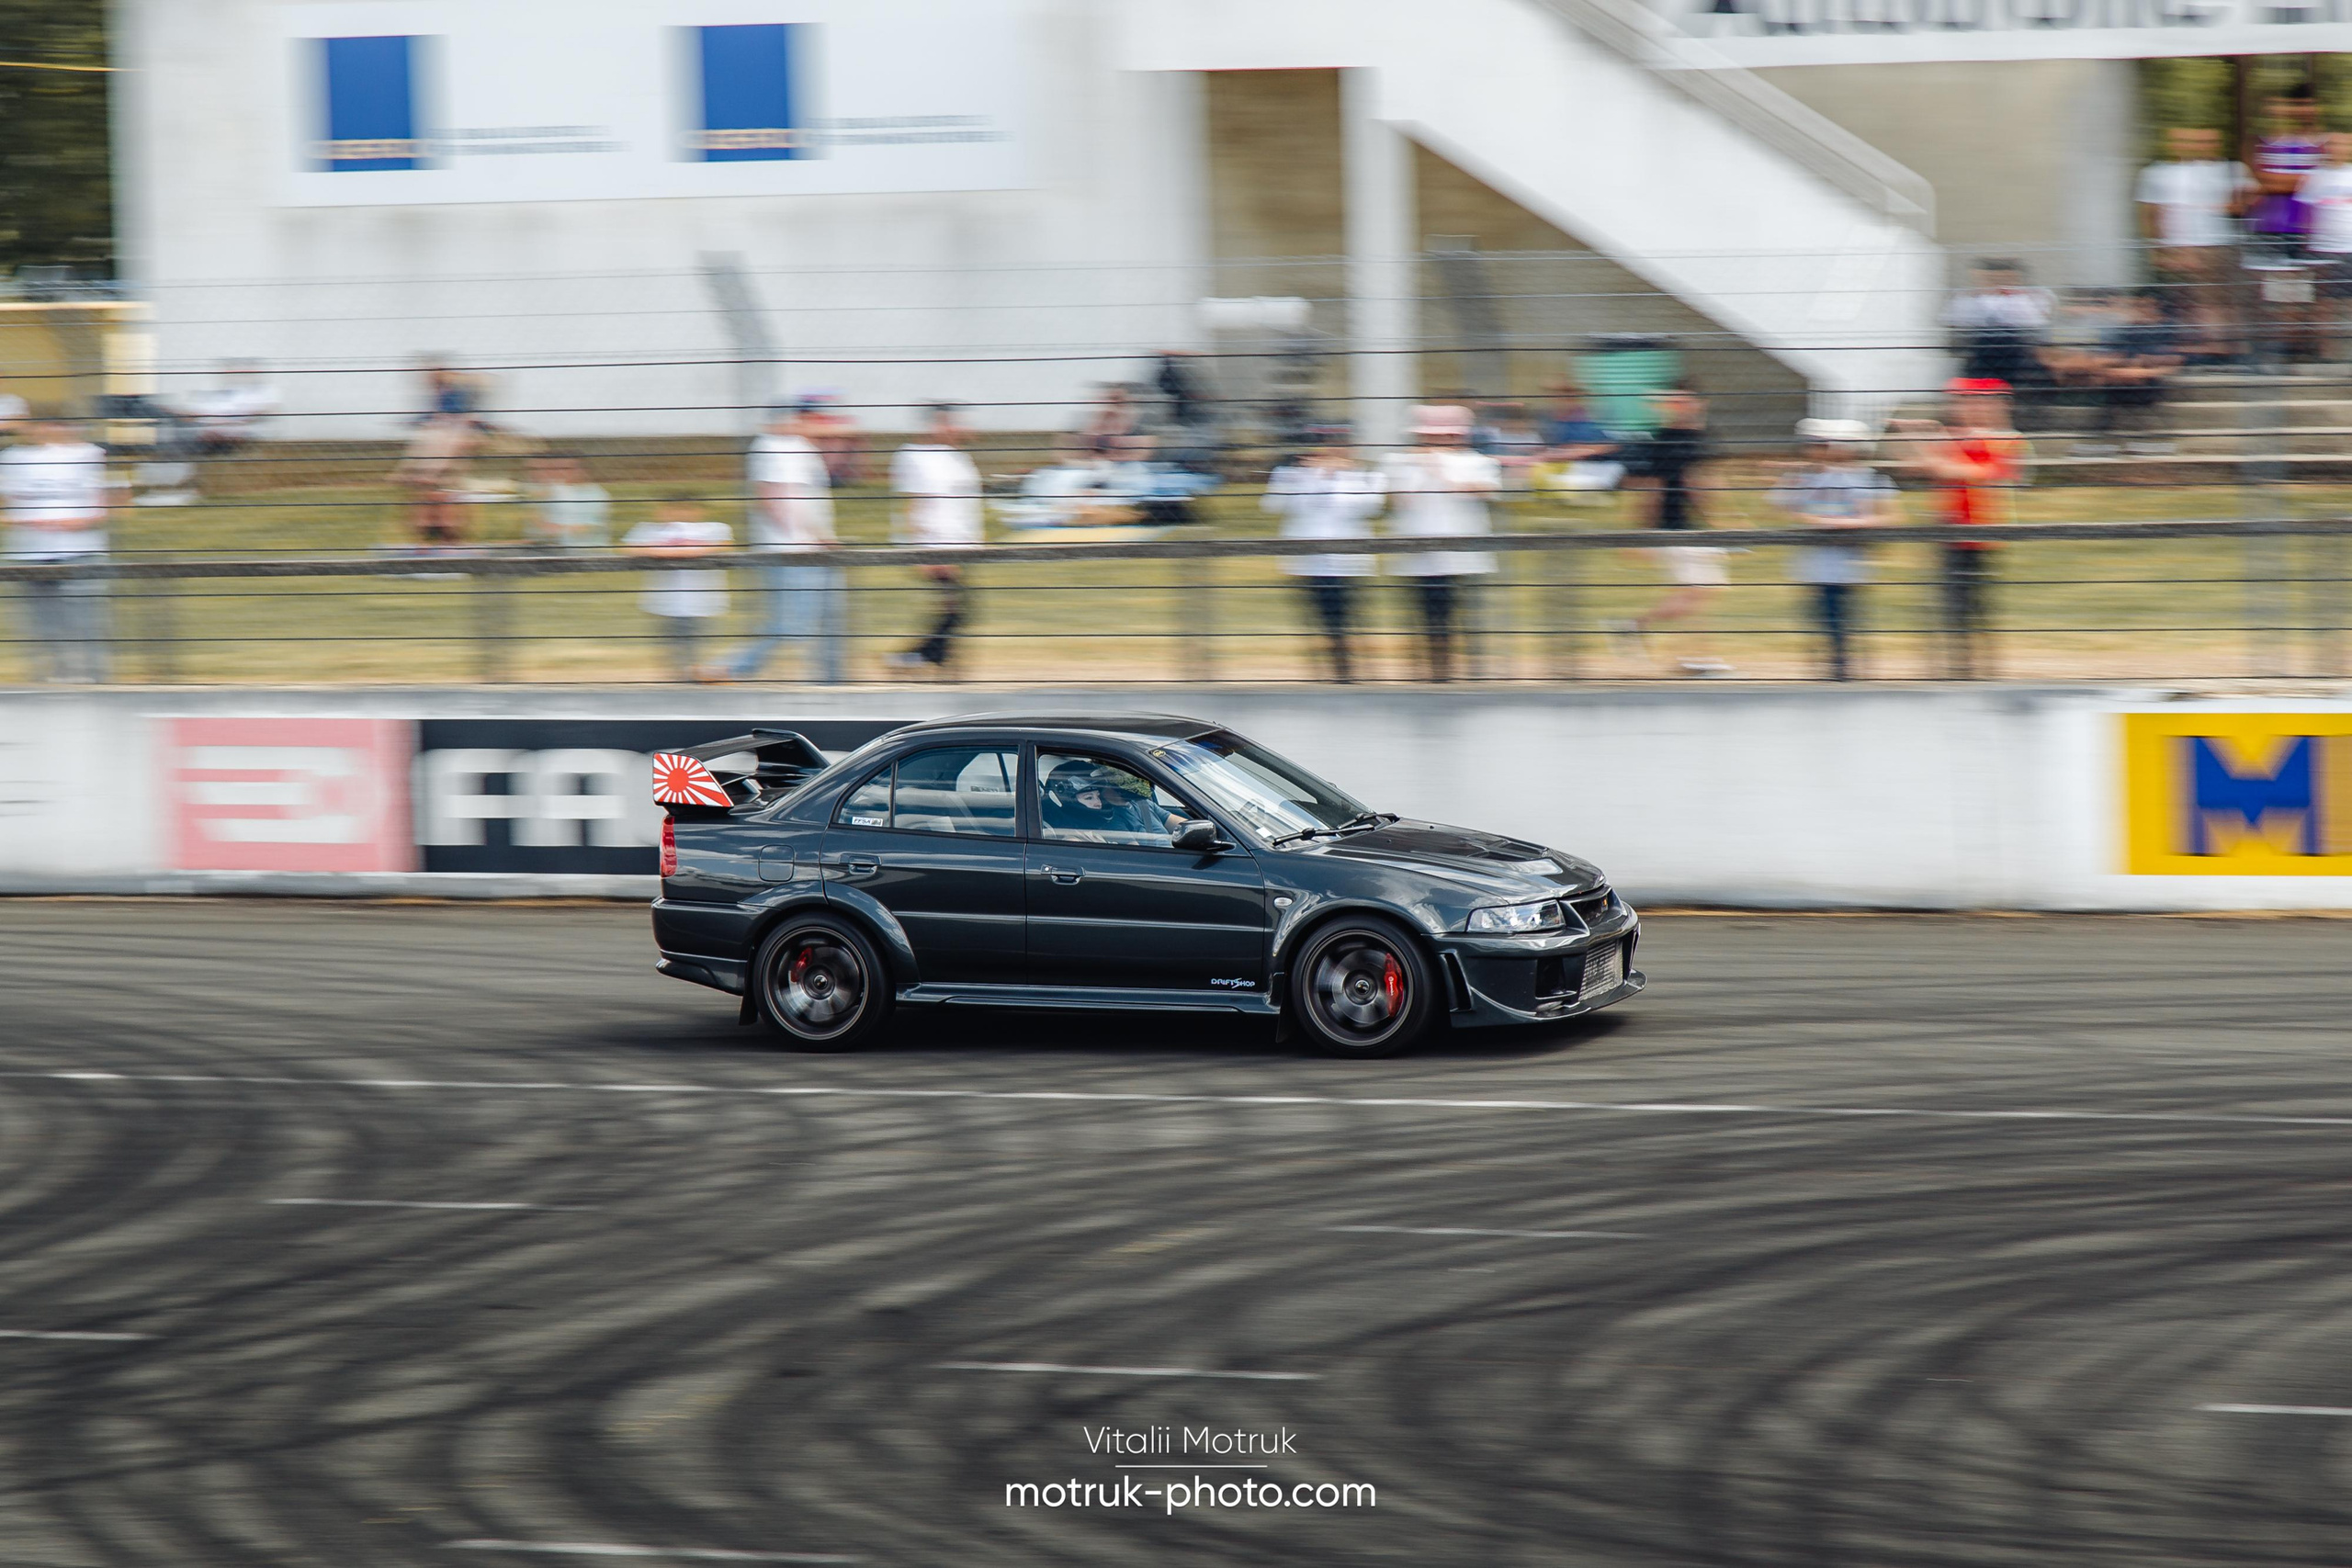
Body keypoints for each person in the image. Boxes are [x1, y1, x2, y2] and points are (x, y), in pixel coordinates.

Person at [1892, 378, 2025, 681]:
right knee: (1951, 607)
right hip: (1948, 532)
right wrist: (1919, 437)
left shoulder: (2003, 439)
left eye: (1972, 401)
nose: (1965, 408)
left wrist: (1926, 438)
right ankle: (1958, 668)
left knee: (1976, 607)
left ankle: (1978, 670)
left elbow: (1963, 470)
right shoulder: (1955, 436)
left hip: (1981, 533)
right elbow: (1917, 467)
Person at [711, 401, 844, 684]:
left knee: (828, 617)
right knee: (792, 625)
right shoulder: (772, 446)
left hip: (811, 549)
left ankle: (832, 679)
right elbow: (772, 498)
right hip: (791, 551)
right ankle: (728, 667)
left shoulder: (800, 447)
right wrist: (813, 537)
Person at [1611, 384, 1729, 677]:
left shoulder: (1697, 438)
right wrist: (1643, 533)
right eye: (1676, 402)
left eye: (1686, 402)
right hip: (1677, 528)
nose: (1683, 407)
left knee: (1699, 592)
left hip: (1693, 529)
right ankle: (1693, 657)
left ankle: (1640, 629)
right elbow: (1657, 488)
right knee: (1697, 591)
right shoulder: (1666, 441)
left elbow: (1704, 481)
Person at [1770, 418, 1899, 682]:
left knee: (1847, 619)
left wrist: (1853, 524)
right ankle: (1834, 667)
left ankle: (1845, 667)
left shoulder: (1869, 478)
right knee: (1825, 618)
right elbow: (1782, 506)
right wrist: (1813, 519)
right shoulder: (1803, 478)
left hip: (1852, 563)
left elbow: (1890, 516)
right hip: (1816, 564)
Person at [1381, 404, 1499, 683]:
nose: (1436, 441)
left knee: (1465, 615)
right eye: (1429, 436)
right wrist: (1422, 468)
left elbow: (1485, 491)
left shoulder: (1477, 462)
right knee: (1426, 614)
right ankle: (1433, 672)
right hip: (1418, 551)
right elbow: (1396, 498)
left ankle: (1468, 672)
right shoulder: (1400, 462)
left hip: (1464, 554)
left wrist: (1444, 473)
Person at [1, 418, 119, 683]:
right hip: (31, 553)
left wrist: (83, 520)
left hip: (81, 550)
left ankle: (94, 676)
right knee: (43, 621)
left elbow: (113, 499)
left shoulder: (88, 455)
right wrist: (23, 521)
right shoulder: (13, 458)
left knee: (87, 619)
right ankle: (51, 675)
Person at [1263, 423, 1384, 682]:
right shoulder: (1291, 475)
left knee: (1353, 618)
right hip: (1308, 560)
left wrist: (1339, 475)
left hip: (1348, 561)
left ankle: (1355, 672)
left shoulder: (1364, 476)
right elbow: (1273, 505)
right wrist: (1316, 476)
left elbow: (1369, 506)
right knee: (1317, 619)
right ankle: (1327, 673)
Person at [2137, 127, 2253, 359]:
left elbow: (2249, 199)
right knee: (2186, 298)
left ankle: (2223, 346)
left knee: (2216, 298)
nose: (2198, 147)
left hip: (2218, 244)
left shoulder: (2230, 170)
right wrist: (2158, 248)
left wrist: (2227, 208)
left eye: (2206, 142)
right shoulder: (2158, 173)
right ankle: (2201, 345)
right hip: (2179, 245)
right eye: (2190, 141)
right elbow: (2151, 213)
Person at [888, 403, 985, 675]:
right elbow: (912, 505)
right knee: (958, 609)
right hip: (934, 547)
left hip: (959, 547)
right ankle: (918, 658)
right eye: (949, 423)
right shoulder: (915, 456)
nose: (957, 429)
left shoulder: (958, 458)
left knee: (957, 609)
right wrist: (921, 552)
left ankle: (933, 661)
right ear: (934, 425)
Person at [623, 498, 733, 681]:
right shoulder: (649, 529)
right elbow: (631, 549)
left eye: (685, 509)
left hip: (701, 602)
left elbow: (722, 545)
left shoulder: (713, 528)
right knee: (671, 646)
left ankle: (694, 676)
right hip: (666, 602)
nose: (679, 515)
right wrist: (682, 552)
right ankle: (682, 678)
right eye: (672, 509)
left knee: (698, 643)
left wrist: (664, 552)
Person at [2081, 292, 2182, 455]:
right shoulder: (2128, 330)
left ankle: (2144, 440)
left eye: (2147, 305)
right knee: (2110, 386)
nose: (2142, 309)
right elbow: (2116, 356)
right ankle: (2099, 438)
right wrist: (2125, 368)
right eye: (2139, 305)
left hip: (2148, 382)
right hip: (2123, 379)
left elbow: (2172, 361)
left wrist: (2141, 368)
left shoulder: (2165, 329)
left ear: (2157, 307)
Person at [1943, 260, 2053, 396]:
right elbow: (1956, 321)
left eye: (2004, 279)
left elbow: (2035, 322)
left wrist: (2011, 296)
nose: (1997, 284)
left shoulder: (2027, 299)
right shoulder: (1967, 299)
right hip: (1979, 351)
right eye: (1991, 279)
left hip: (2017, 351)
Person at [2299, 132, 2352, 361]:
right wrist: (2307, 242)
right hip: (2322, 249)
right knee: (2324, 304)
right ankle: (2326, 353)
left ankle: (2347, 353)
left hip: (2349, 248)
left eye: (2344, 144)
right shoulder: (2315, 177)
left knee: (2348, 302)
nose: (2338, 149)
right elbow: (2305, 213)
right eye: (2334, 144)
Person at [1039, 758, 1177, 844]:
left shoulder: (1144, 805)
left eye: (1097, 796)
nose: (1098, 803)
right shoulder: (1075, 841)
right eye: (1089, 798)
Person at [391, 412, 479, 547]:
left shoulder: (454, 436)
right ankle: (429, 541)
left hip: (443, 483)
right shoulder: (431, 435)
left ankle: (448, 541)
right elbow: (413, 457)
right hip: (430, 483)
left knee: (445, 516)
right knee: (427, 516)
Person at [1533, 380, 1623, 497]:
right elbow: (1540, 450)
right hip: (1560, 467)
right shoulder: (1546, 421)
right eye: (1559, 393)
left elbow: (1610, 445)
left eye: (1570, 394)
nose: (1565, 399)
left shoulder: (1590, 421)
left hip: (1589, 467)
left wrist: (1578, 450)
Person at [525, 452, 610, 550]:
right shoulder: (557, 489)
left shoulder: (594, 495)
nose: (560, 472)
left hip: (582, 551)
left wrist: (550, 528)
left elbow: (584, 529)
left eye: (567, 468)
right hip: (551, 548)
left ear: (582, 470)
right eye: (558, 468)